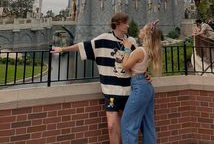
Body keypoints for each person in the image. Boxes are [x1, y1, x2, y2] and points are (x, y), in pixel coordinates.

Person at [51, 12, 148, 144]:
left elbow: (137, 62)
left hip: (128, 90)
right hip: (111, 92)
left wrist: (144, 73)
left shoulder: (131, 42)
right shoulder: (103, 39)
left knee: (129, 126)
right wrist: (62, 49)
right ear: (117, 24)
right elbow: (82, 46)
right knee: (112, 126)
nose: (128, 25)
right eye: (125, 23)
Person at [121, 20, 162, 144]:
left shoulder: (140, 50)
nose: (140, 30)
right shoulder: (148, 51)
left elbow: (125, 66)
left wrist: (127, 49)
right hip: (146, 86)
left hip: (140, 87)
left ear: (146, 34)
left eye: (142, 29)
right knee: (148, 125)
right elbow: (141, 67)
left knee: (127, 124)